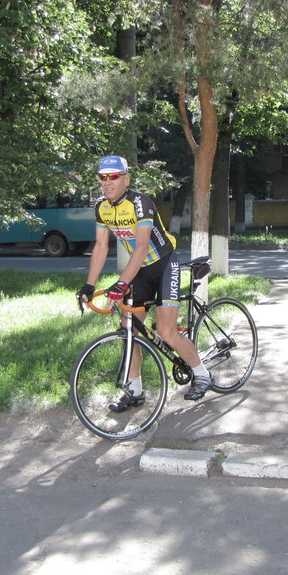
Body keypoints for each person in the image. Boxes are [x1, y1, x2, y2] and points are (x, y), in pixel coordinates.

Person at [77, 155, 212, 410]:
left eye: (114, 176)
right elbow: (101, 246)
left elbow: (141, 246)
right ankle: (135, 390)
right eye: (103, 177)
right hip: (140, 270)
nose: (107, 182)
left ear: (126, 179)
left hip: (164, 264)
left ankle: (202, 374)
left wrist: (121, 283)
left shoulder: (140, 203)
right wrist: (89, 286)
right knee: (128, 331)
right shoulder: (101, 207)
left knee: (166, 331)